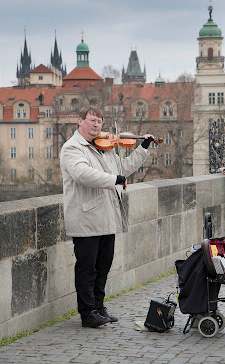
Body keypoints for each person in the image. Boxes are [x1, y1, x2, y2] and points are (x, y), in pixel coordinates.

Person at [60, 106, 155, 328]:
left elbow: (124, 168)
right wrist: (114, 178)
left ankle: (99, 307)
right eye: (92, 121)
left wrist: (143, 148)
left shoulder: (106, 148)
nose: (97, 125)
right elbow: (82, 174)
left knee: (103, 266)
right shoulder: (72, 148)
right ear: (80, 121)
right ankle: (87, 312)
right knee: (87, 269)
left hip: (107, 217)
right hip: (86, 219)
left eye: (100, 122)